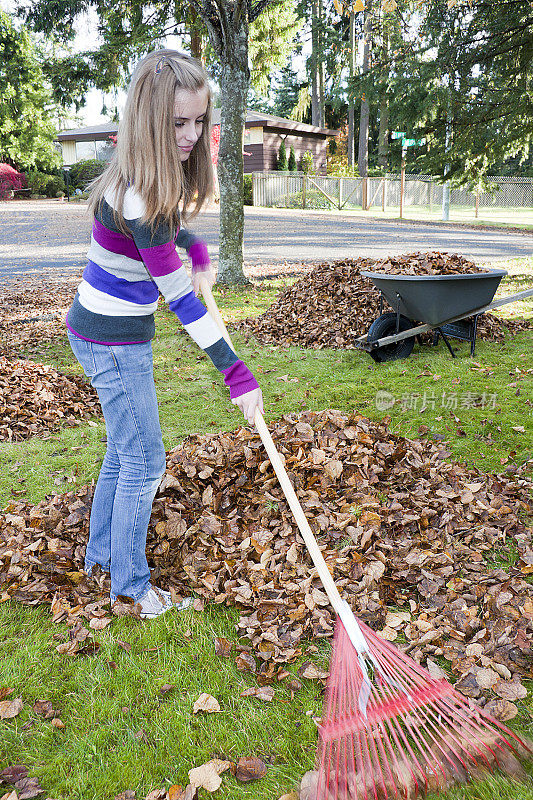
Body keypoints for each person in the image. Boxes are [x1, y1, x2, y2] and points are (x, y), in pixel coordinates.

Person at [66, 49, 263, 619]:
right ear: (151, 119)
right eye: (178, 123)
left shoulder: (145, 174)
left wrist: (193, 245)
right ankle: (129, 586)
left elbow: (160, 237)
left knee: (123, 450)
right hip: (111, 339)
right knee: (146, 460)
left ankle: (101, 557)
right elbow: (178, 298)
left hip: (101, 327)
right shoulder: (138, 194)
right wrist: (234, 370)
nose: (191, 134)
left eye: (199, 121)